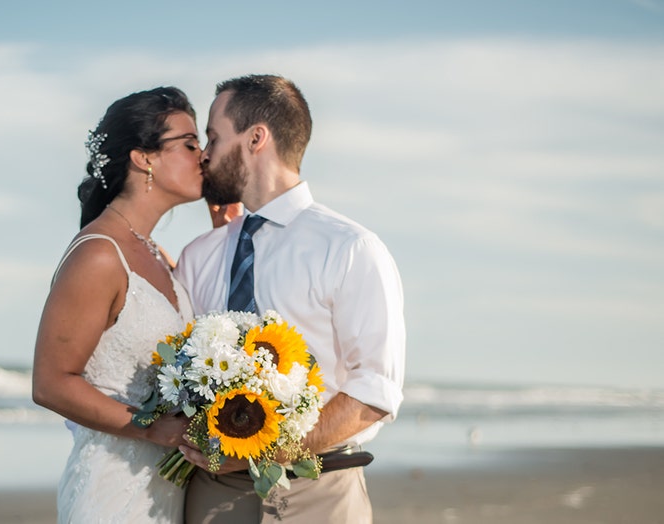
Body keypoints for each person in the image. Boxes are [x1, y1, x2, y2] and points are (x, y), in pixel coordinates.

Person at [174, 75, 406, 523]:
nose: (204, 153)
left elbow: (374, 388)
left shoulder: (351, 249)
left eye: (214, 136)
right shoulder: (199, 257)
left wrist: (267, 451)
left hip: (320, 494)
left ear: (256, 138)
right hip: (212, 495)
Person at [32, 86, 204, 523]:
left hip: (164, 488)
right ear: (143, 157)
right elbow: (51, 383)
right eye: (189, 143)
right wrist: (159, 429)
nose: (202, 155)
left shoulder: (160, 257)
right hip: (111, 488)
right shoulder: (99, 254)